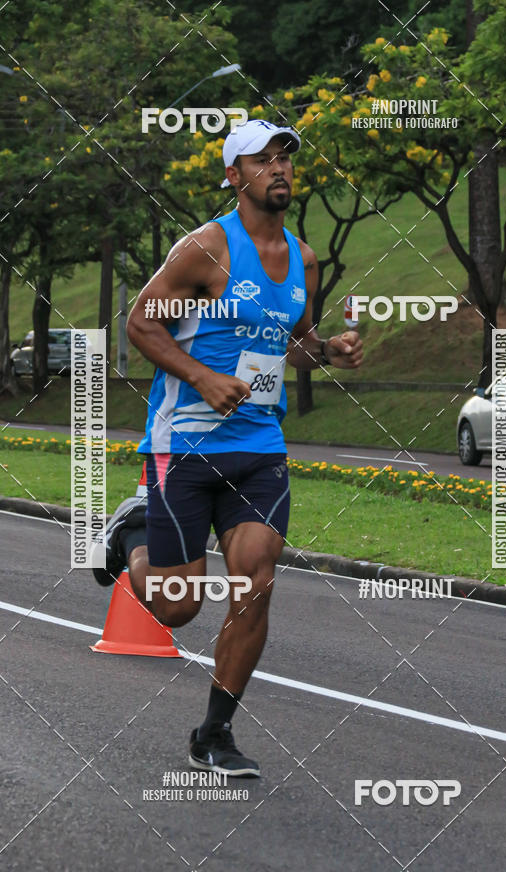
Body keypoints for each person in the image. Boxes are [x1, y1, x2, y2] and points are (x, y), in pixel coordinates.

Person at [93, 119, 363, 777]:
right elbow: (139, 326)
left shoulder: (304, 258)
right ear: (234, 175)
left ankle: (214, 734)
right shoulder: (205, 248)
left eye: (285, 159)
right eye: (262, 159)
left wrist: (326, 350)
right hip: (183, 444)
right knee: (178, 606)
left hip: (259, 447)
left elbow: (292, 343)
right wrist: (202, 376)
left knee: (257, 581)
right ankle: (131, 535)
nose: (279, 168)